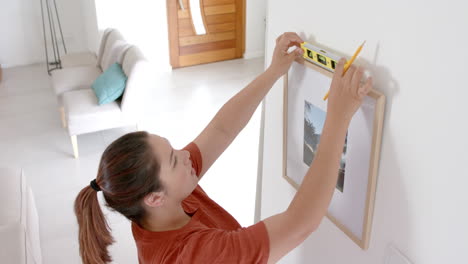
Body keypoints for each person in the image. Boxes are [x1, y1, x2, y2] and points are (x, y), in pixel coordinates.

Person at [74, 32, 373, 264]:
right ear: (154, 197)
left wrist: (273, 71)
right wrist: (337, 118)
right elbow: (300, 223)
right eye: (174, 160)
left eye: (173, 149)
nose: (185, 155)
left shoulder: (160, 204)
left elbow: (221, 129)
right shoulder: (195, 255)